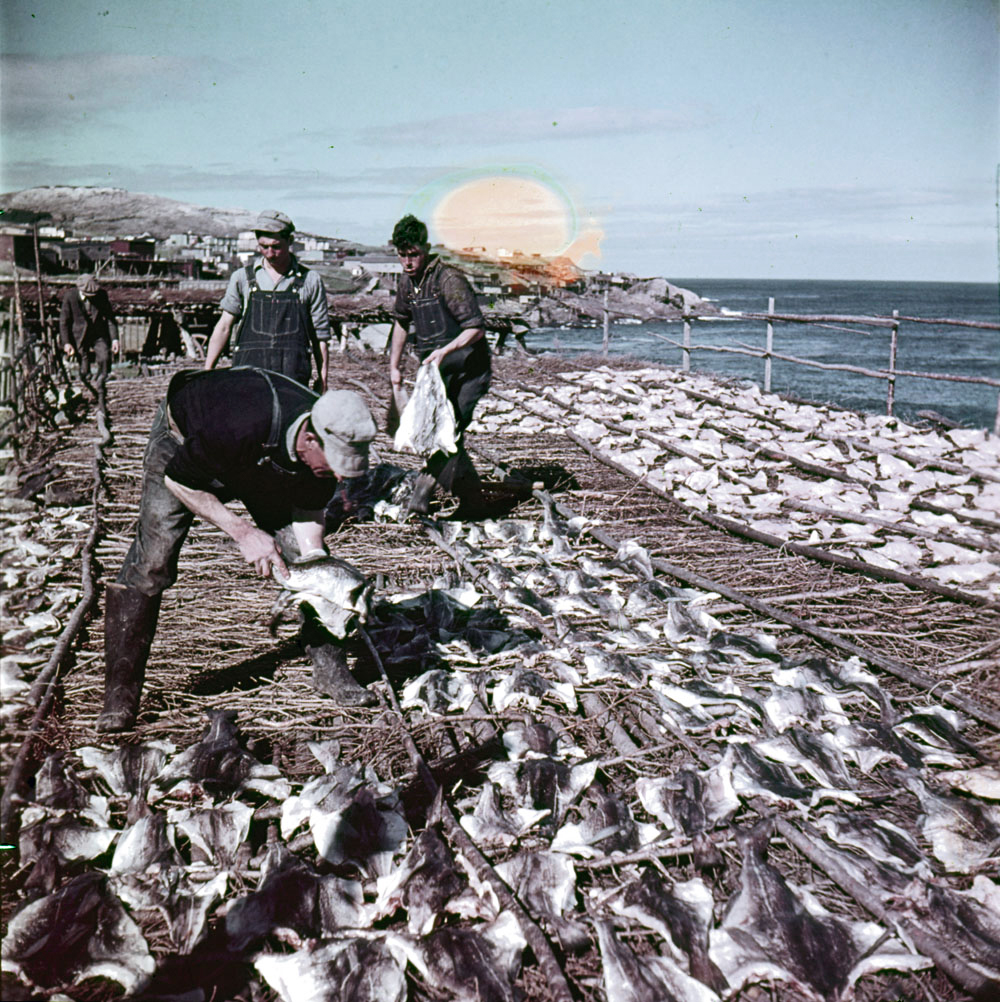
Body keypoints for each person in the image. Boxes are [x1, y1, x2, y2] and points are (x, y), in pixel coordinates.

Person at [98, 367, 378, 733]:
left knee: (307, 557)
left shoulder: (321, 454)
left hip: (257, 461)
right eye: (336, 465)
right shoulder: (239, 422)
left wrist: (314, 566)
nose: (340, 478)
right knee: (153, 561)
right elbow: (179, 479)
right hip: (185, 445)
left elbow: (309, 514)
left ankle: (330, 669)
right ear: (310, 439)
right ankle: (120, 693)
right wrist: (244, 532)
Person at [388, 214, 490, 514]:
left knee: (450, 431)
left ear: (426, 249)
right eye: (402, 255)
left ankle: (419, 500)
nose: (408, 262)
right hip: (436, 373)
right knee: (444, 435)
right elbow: (401, 323)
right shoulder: (407, 282)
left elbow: (475, 328)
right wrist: (394, 366)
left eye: (414, 255)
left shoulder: (448, 280)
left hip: (469, 371)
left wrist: (445, 351)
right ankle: (475, 503)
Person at [204, 210, 331, 389]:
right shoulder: (242, 278)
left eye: (276, 246)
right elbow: (224, 326)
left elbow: (320, 336)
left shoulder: (310, 280)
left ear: (290, 241)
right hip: (248, 374)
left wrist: (323, 379)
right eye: (264, 246)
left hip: (293, 376)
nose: (270, 253)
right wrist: (207, 371)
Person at [59, 274, 119, 384]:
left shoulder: (102, 295)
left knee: (104, 358)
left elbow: (110, 318)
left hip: (97, 333)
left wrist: (115, 339)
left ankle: (102, 383)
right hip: (79, 335)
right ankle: (86, 384)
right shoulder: (70, 296)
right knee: (84, 366)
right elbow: (64, 322)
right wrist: (66, 343)